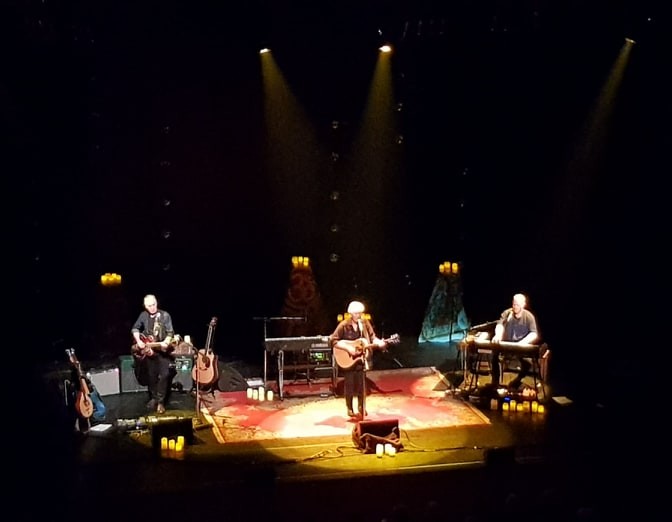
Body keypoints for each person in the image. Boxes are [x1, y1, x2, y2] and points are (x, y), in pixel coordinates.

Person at [331, 300, 387, 419]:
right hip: (348, 359)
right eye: (356, 313)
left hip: (361, 358)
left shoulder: (365, 323)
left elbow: (372, 337)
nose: (359, 315)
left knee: (362, 384)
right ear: (351, 313)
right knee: (350, 384)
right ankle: (350, 408)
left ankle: (361, 406)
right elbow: (333, 340)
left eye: (360, 313)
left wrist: (379, 342)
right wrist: (348, 348)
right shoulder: (344, 325)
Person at [131, 294, 175, 414]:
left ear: (157, 303)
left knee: (164, 375)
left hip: (162, 352)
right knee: (151, 376)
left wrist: (166, 342)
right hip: (149, 351)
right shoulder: (143, 315)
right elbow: (135, 328)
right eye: (149, 306)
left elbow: (170, 333)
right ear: (145, 306)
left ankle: (161, 402)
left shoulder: (165, 315)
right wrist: (139, 341)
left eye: (154, 304)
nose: (152, 307)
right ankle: (154, 398)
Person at [491, 293, 539, 390]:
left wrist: (522, 343)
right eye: (514, 304)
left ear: (523, 305)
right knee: (495, 356)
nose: (515, 307)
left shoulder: (529, 316)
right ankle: (495, 384)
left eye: (517, 304)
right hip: (506, 345)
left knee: (528, 363)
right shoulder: (507, 313)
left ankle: (517, 381)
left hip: (521, 346)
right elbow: (500, 325)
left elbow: (534, 333)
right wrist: (498, 334)